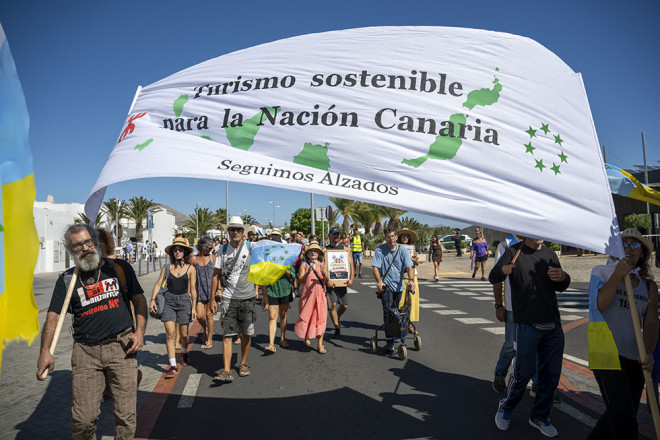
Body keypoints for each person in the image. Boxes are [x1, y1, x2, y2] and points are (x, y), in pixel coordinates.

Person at [36, 224, 147, 440]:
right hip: (85, 353)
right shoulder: (67, 280)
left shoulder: (119, 269)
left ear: (96, 242)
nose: (85, 248)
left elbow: (139, 299)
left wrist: (140, 332)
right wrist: (45, 352)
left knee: (125, 417)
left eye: (88, 242)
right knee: (83, 419)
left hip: (122, 348)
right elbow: (53, 316)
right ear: (70, 250)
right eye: (78, 245)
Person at [490, 236, 570, 437]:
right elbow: (493, 276)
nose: (539, 234)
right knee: (522, 374)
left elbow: (560, 286)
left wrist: (563, 277)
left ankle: (540, 417)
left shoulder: (549, 253)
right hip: (526, 325)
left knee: (550, 376)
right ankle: (505, 408)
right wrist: (503, 270)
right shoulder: (513, 252)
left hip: (553, 325)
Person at [587, 228, 658, 440]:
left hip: (635, 357)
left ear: (642, 253)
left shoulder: (649, 286)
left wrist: (648, 350)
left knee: (623, 412)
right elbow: (600, 304)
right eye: (624, 243)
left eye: (635, 245)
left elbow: (651, 322)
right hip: (606, 354)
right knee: (624, 419)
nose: (629, 248)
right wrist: (618, 274)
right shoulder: (601, 273)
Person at [210, 216, 257, 382]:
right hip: (228, 298)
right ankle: (227, 370)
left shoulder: (251, 247)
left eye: (238, 229)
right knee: (227, 334)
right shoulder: (222, 250)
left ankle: (243, 363)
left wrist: (264, 295)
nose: (235, 232)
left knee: (246, 333)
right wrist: (212, 299)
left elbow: (261, 269)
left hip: (247, 298)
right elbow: (215, 275)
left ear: (243, 232)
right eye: (232, 229)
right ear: (228, 231)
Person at [149, 237, 197, 378]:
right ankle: (173, 366)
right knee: (170, 334)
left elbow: (193, 290)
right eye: (175, 250)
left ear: (184, 252)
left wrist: (194, 307)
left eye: (180, 249)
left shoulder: (191, 269)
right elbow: (159, 284)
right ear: (172, 253)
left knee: (184, 334)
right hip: (169, 302)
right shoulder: (167, 267)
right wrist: (152, 299)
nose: (177, 252)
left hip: (184, 302)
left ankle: (184, 353)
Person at [372, 225, 414, 354]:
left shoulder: (402, 250)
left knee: (396, 311)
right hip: (387, 286)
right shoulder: (380, 250)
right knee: (388, 312)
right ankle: (389, 342)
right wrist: (379, 281)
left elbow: (409, 266)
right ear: (385, 238)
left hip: (399, 286)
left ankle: (395, 334)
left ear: (396, 237)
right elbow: (375, 267)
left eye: (392, 236)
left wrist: (411, 280)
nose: (391, 239)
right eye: (388, 237)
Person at [260, 228, 296, 352]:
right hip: (272, 290)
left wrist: (284, 269)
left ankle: (282, 338)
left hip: (285, 290)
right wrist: (264, 295)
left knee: (283, 315)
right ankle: (271, 344)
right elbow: (262, 278)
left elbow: (292, 274)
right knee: (272, 316)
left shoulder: (287, 258)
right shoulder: (266, 259)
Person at [294, 241, 329, 353]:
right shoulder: (304, 265)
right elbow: (300, 280)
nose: (313, 252)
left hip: (320, 296)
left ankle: (320, 344)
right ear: (307, 254)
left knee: (320, 318)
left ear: (319, 253)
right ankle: (306, 336)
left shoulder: (323, 264)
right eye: (311, 251)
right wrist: (307, 272)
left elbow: (327, 281)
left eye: (316, 251)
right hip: (307, 296)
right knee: (307, 317)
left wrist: (324, 274)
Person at [324, 227, 354, 337]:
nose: (336, 236)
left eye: (337, 234)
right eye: (334, 234)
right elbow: (323, 268)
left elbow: (351, 265)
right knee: (332, 305)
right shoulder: (325, 250)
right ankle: (337, 327)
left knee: (344, 306)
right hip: (330, 283)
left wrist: (351, 278)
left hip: (342, 282)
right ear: (329, 235)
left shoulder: (346, 250)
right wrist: (327, 280)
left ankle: (337, 317)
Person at [192, 236, 215, 349]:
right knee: (200, 316)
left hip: (211, 290)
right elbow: (190, 275)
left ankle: (209, 339)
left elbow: (217, 275)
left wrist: (218, 289)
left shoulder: (212, 257)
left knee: (209, 315)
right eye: (209, 248)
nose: (211, 250)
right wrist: (190, 290)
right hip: (199, 290)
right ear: (202, 247)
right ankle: (205, 328)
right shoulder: (193, 259)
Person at [397, 228, 420, 336]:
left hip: (412, 277)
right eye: (403, 236)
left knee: (412, 301)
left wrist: (415, 261)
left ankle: (410, 324)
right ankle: (399, 323)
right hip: (400, 277)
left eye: (407, 236)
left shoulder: (412, 248)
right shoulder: (396, 247)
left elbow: (417, 263)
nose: (405, 238)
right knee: (401, 301)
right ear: (400, 237)